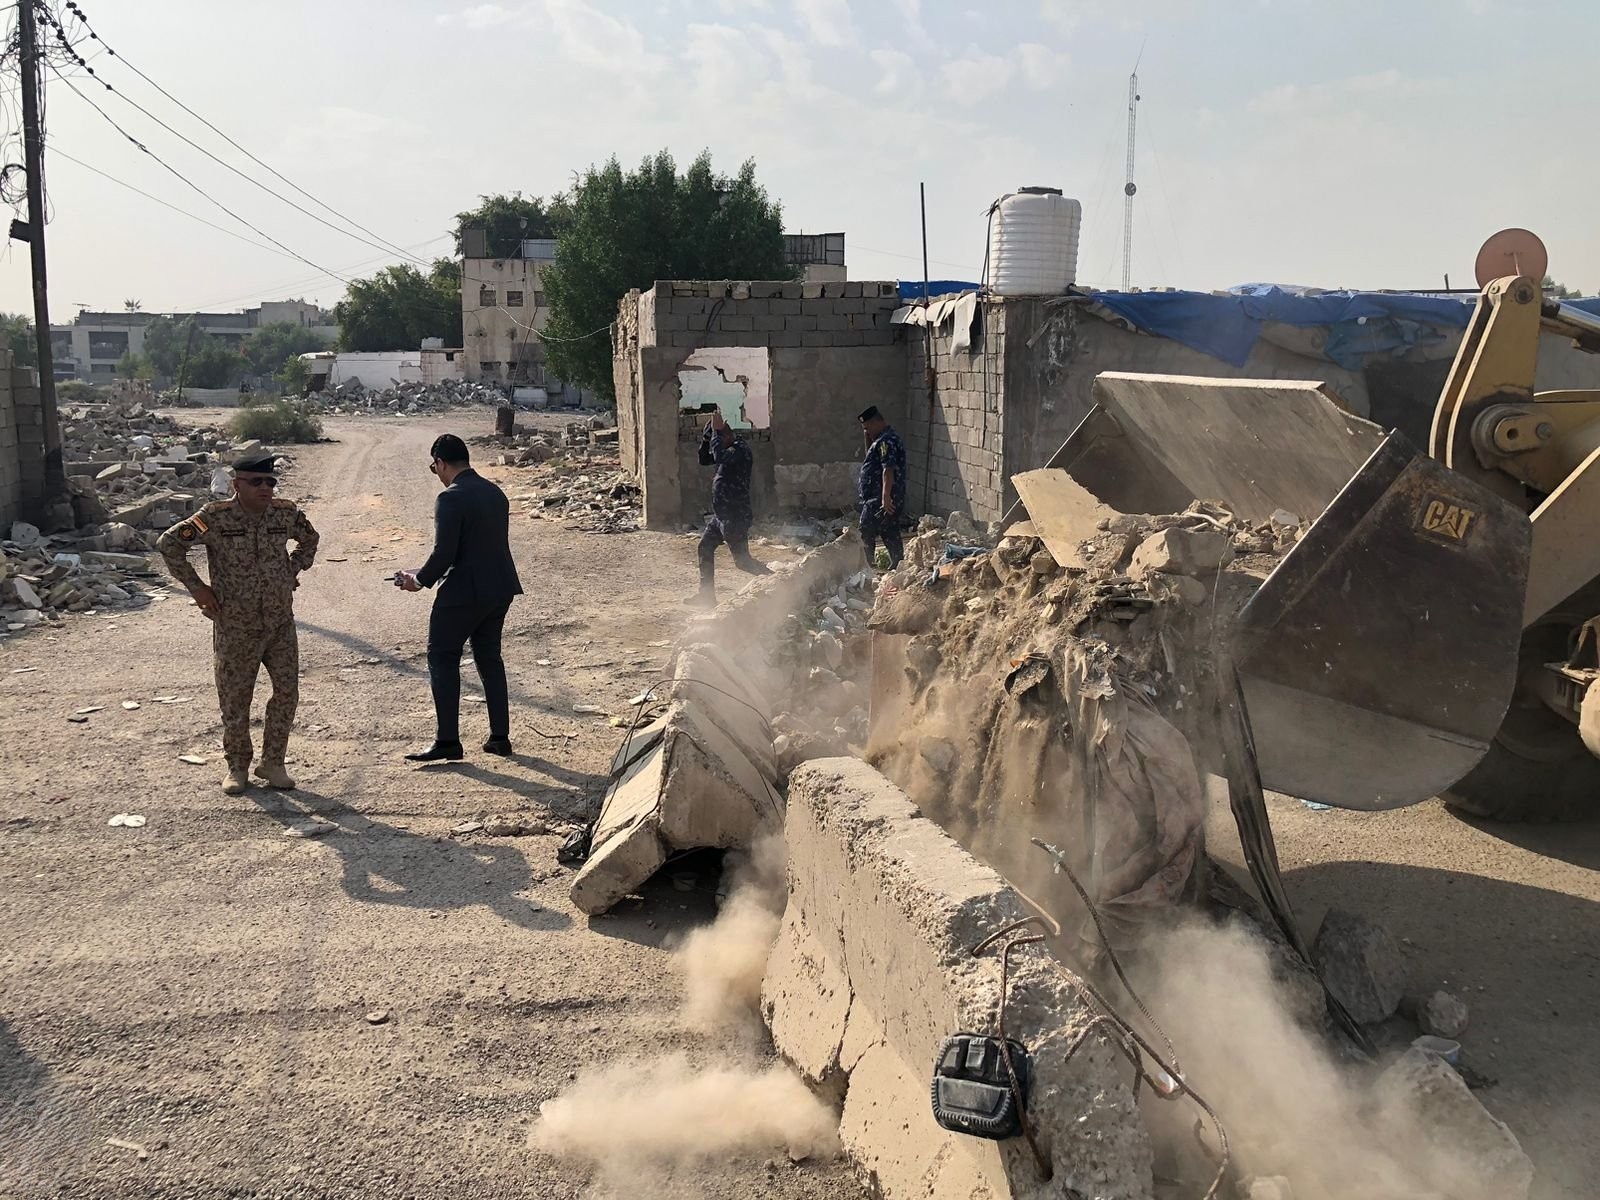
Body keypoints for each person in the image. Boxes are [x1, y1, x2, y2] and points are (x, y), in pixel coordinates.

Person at [157, 453, 319, 795]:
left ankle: (273, 762)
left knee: (287, 693)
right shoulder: (215, 517)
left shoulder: (284, 513)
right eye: (256, 482)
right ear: (237, 485)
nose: (265, 488)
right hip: (235, 626)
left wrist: (291, 569)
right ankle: (237, 766)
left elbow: (310, 540)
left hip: (279, 623)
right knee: (235, 699)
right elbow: (169, 544)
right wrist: (198, 588)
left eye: (270, 482)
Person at [394, 434, 522, 761]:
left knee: (442, 657)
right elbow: (477, 547)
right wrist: (425, 572)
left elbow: (445, 552)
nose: (436, 473)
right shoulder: (495, 493)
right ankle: (499, 737)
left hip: (463, 593)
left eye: (434, 467)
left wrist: (417, 581)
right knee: (489, 659)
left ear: (440, 463)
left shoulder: (450, 498)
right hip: (499, 588)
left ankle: (448, 740)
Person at [688, 410, 768, 608]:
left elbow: (720, 456)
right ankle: (706, 595)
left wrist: (717, 432)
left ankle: (779, 582)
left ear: (727, 436)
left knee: (743, 562)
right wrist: (707, 437)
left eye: (719, 440)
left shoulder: (740, 449)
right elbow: (704, 459)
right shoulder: (726, 446)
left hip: (736, 516)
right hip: (721, 517)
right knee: (705, 547)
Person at [857, 405, 908, 568]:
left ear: (875, 422)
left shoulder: (886, 441)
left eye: (867, 428)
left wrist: (885, 497)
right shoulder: (883, 439)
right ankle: (898, 565)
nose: (867, 432)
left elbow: (888, 469)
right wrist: (868, 438)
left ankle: (866, 566)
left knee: (865, 530)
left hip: (879, 498)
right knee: (889, 530)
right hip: (883, 497)